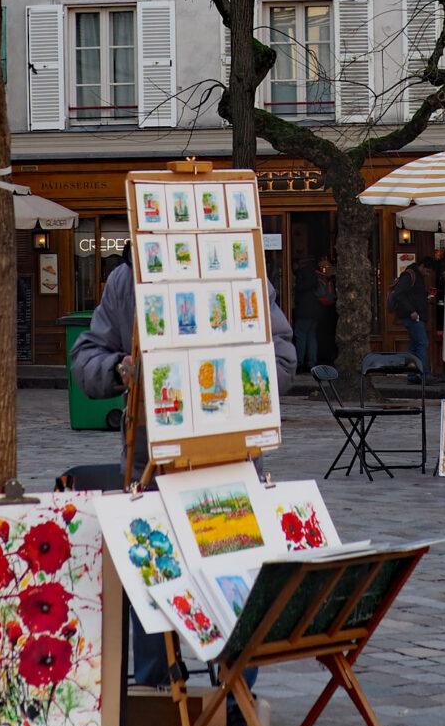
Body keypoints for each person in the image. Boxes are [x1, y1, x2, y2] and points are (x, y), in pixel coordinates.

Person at [70, 254, 296, 700]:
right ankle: (157, 699)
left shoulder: (240, 270)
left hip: (227, 468)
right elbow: (85, 358)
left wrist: (240, 372)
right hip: (151, 469)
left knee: (233, 592)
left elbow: (284, 359)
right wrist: (119, 368)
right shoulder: (127, 280)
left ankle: (234, 704)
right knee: (154, 590)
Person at [387, 258, 431, 375]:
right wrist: (411, 311)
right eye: (427, 271)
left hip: (415, 315)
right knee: (422, 343)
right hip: (413, 317)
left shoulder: (416, 276)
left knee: (414, 345)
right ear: (421, 266)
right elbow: (399, 294)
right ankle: (423, 374)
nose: (428, 274)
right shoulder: (409, 275)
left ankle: (412, 374)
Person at [291, 245, 322, 373]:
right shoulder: (315, 274)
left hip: (303, 310)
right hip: (315, 310)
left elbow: (299, 289)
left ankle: (299, 363)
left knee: (301, 335)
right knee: (311, 336)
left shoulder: (301, 274)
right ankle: (312, 363)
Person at [315, 255, 337, 365]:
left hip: (328, 310)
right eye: (326, 268)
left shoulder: (328, 279)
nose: (328, 270)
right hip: (322, 310)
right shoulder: (319, 279)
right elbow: (321, 295)